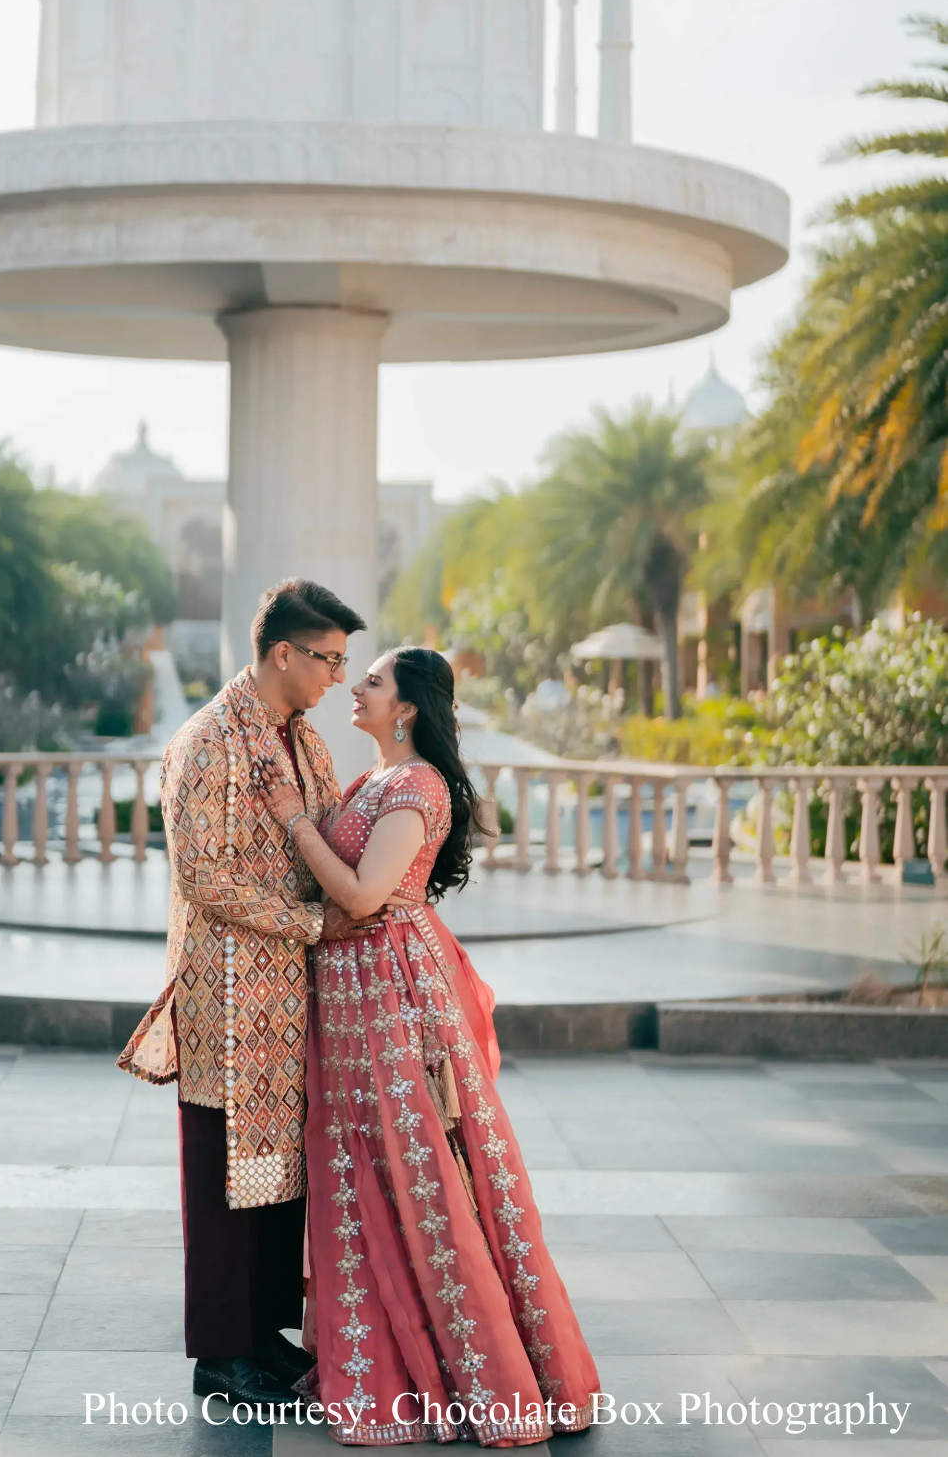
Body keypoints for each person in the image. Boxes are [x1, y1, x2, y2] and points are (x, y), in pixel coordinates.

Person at [263, 646, 601, 1445]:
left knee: (415, 1166)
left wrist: (293, 822)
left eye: (372, 681)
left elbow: (363, 895)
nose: (356, 687)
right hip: (352, 996)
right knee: (363, 1166)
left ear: (407, 707)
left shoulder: (415, 787)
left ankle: (474, 1372)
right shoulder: (374, 782)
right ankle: (387, 1352)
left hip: (391, 996)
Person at [117, 577, 369, 1410]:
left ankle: (265, 1335)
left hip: (290, 995)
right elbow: (203, 876)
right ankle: (220, 1353)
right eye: (328, 659)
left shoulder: (307, 742)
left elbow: (327, 835)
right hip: (224, 993)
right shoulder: (207, 740)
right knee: (222, 1169)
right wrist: (311, 923)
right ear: (282, 652)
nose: (338, 676)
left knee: (279, 1168)